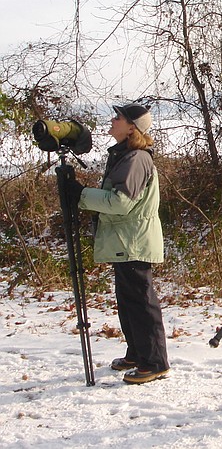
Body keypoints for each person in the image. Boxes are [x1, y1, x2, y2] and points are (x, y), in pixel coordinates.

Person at [65, 103, 170, 385]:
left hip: (133, 240)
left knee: (140, 302)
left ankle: (155, 362)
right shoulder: (125, 155)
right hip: (126, 240)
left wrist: (81, 194)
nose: (112, 121)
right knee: (128, 301)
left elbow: (121, 203)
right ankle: (137, 353)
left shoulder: (136, 158)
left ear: (132, 127)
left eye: (118, 117)